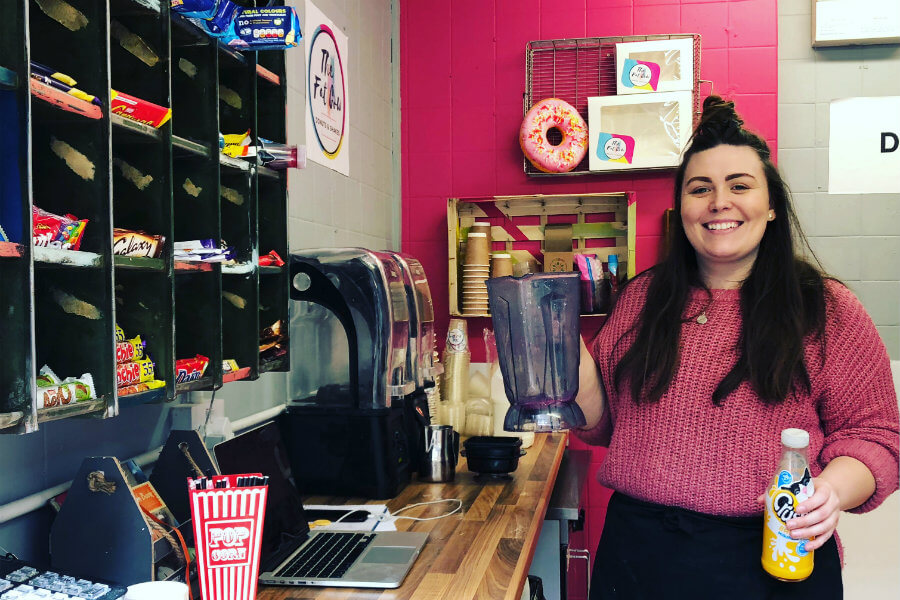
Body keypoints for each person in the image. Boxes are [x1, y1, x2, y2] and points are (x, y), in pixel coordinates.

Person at [574, 95, 899, 599]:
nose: (718, 202)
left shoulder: (824, 307)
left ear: (771, 207)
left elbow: (876, 437)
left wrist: (830, 492)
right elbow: (606, 424)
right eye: (699, 188)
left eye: (739, 186)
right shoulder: (642, 298)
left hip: (771, 557)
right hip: (638, 555)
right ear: (681, 209)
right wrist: (555, 341)